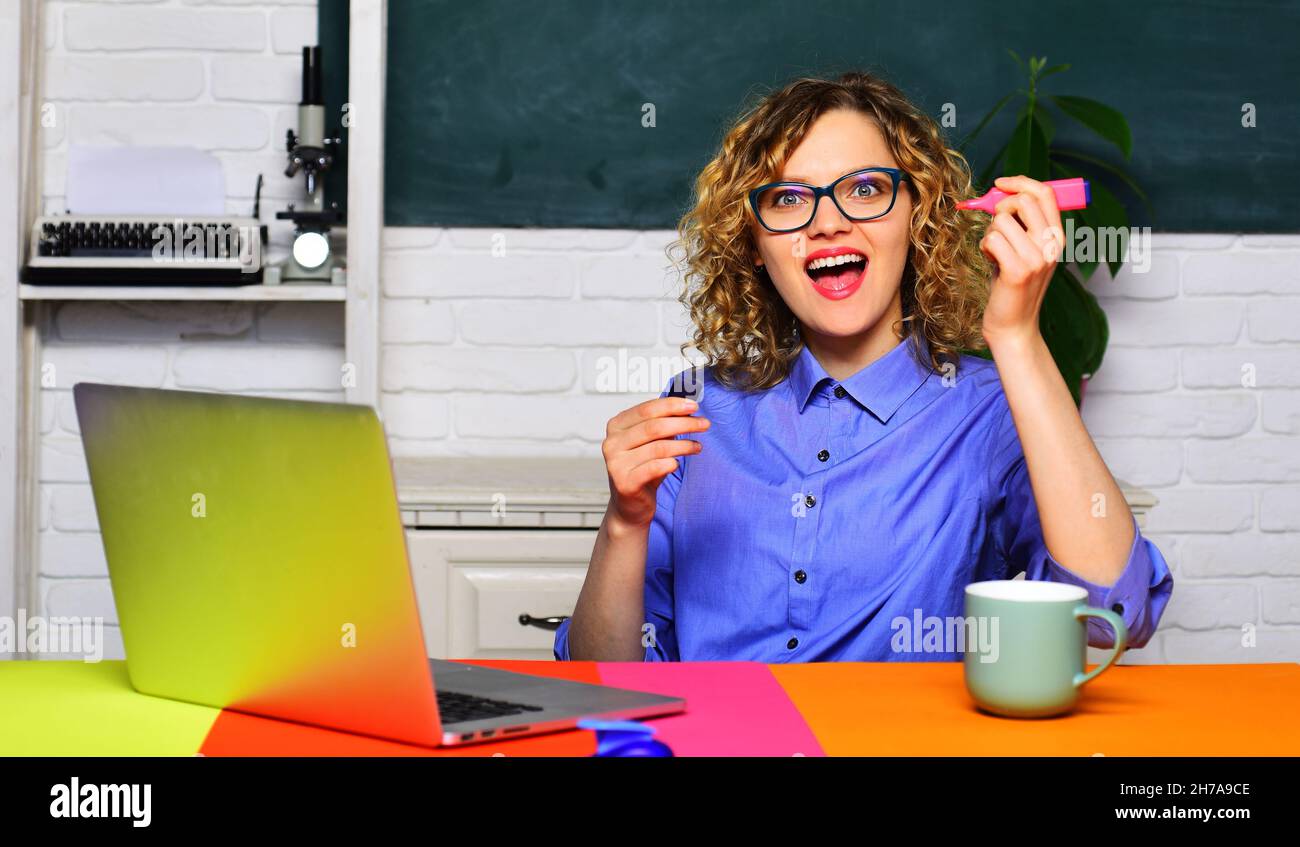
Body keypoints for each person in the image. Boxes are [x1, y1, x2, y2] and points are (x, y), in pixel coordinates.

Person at [554, 71, 1172, 662]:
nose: (828, 222)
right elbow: (602, 677)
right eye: (789, 198)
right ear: (755, 245)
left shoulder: (988, 410)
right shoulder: (697, 411)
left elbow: (1114, 610)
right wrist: (624, 523)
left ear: (919, 216)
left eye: (866, 189)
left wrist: (1016, 337)